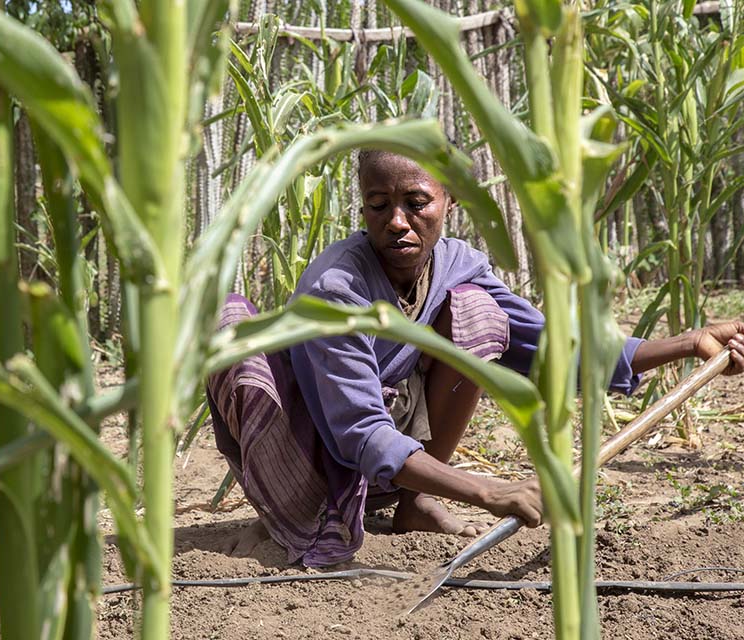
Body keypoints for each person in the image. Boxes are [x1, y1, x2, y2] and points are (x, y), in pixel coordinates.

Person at [206, 149, 744, 568]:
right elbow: (358, 432)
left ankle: (414, 503)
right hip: (312, 453)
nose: (397, 221)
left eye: (416, 202)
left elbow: (553, 348)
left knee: (478, 314)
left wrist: (690, 342)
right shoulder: (336, 289)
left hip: (391, 458)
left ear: (450, 199)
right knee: (232, 327)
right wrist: (489, 490)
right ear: (364, 207)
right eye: (378, 205)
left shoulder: (457, 264)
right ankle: (301, 516)